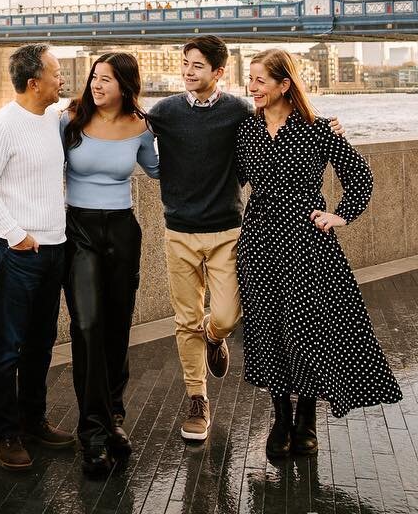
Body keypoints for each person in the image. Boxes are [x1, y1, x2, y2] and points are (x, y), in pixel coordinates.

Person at [146, 36, 343, 443]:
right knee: (184, 321)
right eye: (184, 64)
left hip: (227, 230)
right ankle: (197, 400)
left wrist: (330, 128)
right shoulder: (164, 110)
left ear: (218, 73)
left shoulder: (240, 111)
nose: (187, 71)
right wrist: (70, 119)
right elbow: (122, 122)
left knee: (227, 317)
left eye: (197, 65)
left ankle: (215, 337)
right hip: (178, 231)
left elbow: (290, 124)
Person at [236, 48, 402, 461]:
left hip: (307, 244)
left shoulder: (317, 130)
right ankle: (279, 417)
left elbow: (359, 176)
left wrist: (340, 215)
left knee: (308, 330)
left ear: (283, 85)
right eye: (249, 78)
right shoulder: (246, 131)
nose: (251, 87)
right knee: (268, 330)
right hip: (259, 242)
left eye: (259, 80)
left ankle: (306, 419)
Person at [0, 42, 78, 471]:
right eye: (55, 72)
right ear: (34, 83)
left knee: (41, 344)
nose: (61, 77)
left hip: (56, 250)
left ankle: (35, 420)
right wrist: (16, 235)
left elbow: (88, 102)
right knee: (8, 349)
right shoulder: (1, 127)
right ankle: (7, 433)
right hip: (20, 254)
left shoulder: (51, 119)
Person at [60, 52, 158, 479]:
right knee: (86, 327)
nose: (96, 85)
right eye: (94, 78)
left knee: (117, 327)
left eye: (106, 80)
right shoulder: (70, 120)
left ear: (125, 85)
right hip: (77, 232)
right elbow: (32, 151)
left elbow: (161, 172)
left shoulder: (142, 127)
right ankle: (93, 433)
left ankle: (114, 416)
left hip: (121, 232)